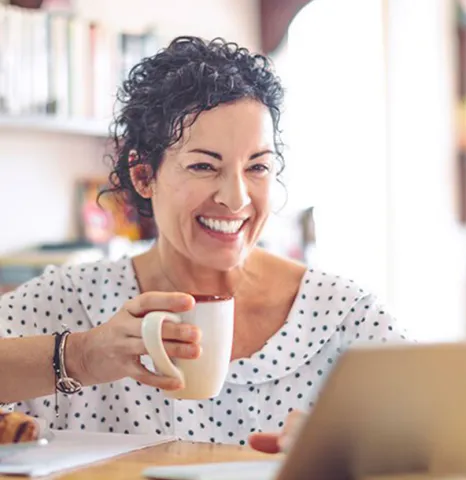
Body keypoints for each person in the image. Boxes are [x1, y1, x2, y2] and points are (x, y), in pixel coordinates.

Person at [0, 36, 408, 449]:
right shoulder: (65, 303)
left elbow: (449, 447)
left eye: (258, 167)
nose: (236, 198)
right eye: (203, 166)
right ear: (143, 176)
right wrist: (81, 356)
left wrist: (351, 459)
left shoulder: (343, 317)